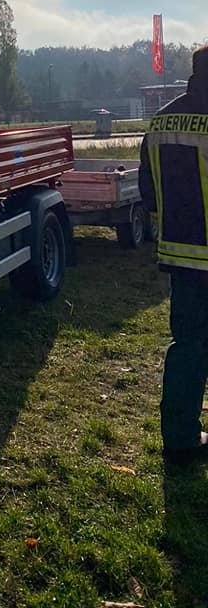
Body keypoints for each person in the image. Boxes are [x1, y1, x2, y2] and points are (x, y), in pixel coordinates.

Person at [139, 45, 208, 463]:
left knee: (187, 345)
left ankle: (179, 439)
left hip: (181, 258)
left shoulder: (162, 119)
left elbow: (148, 192)